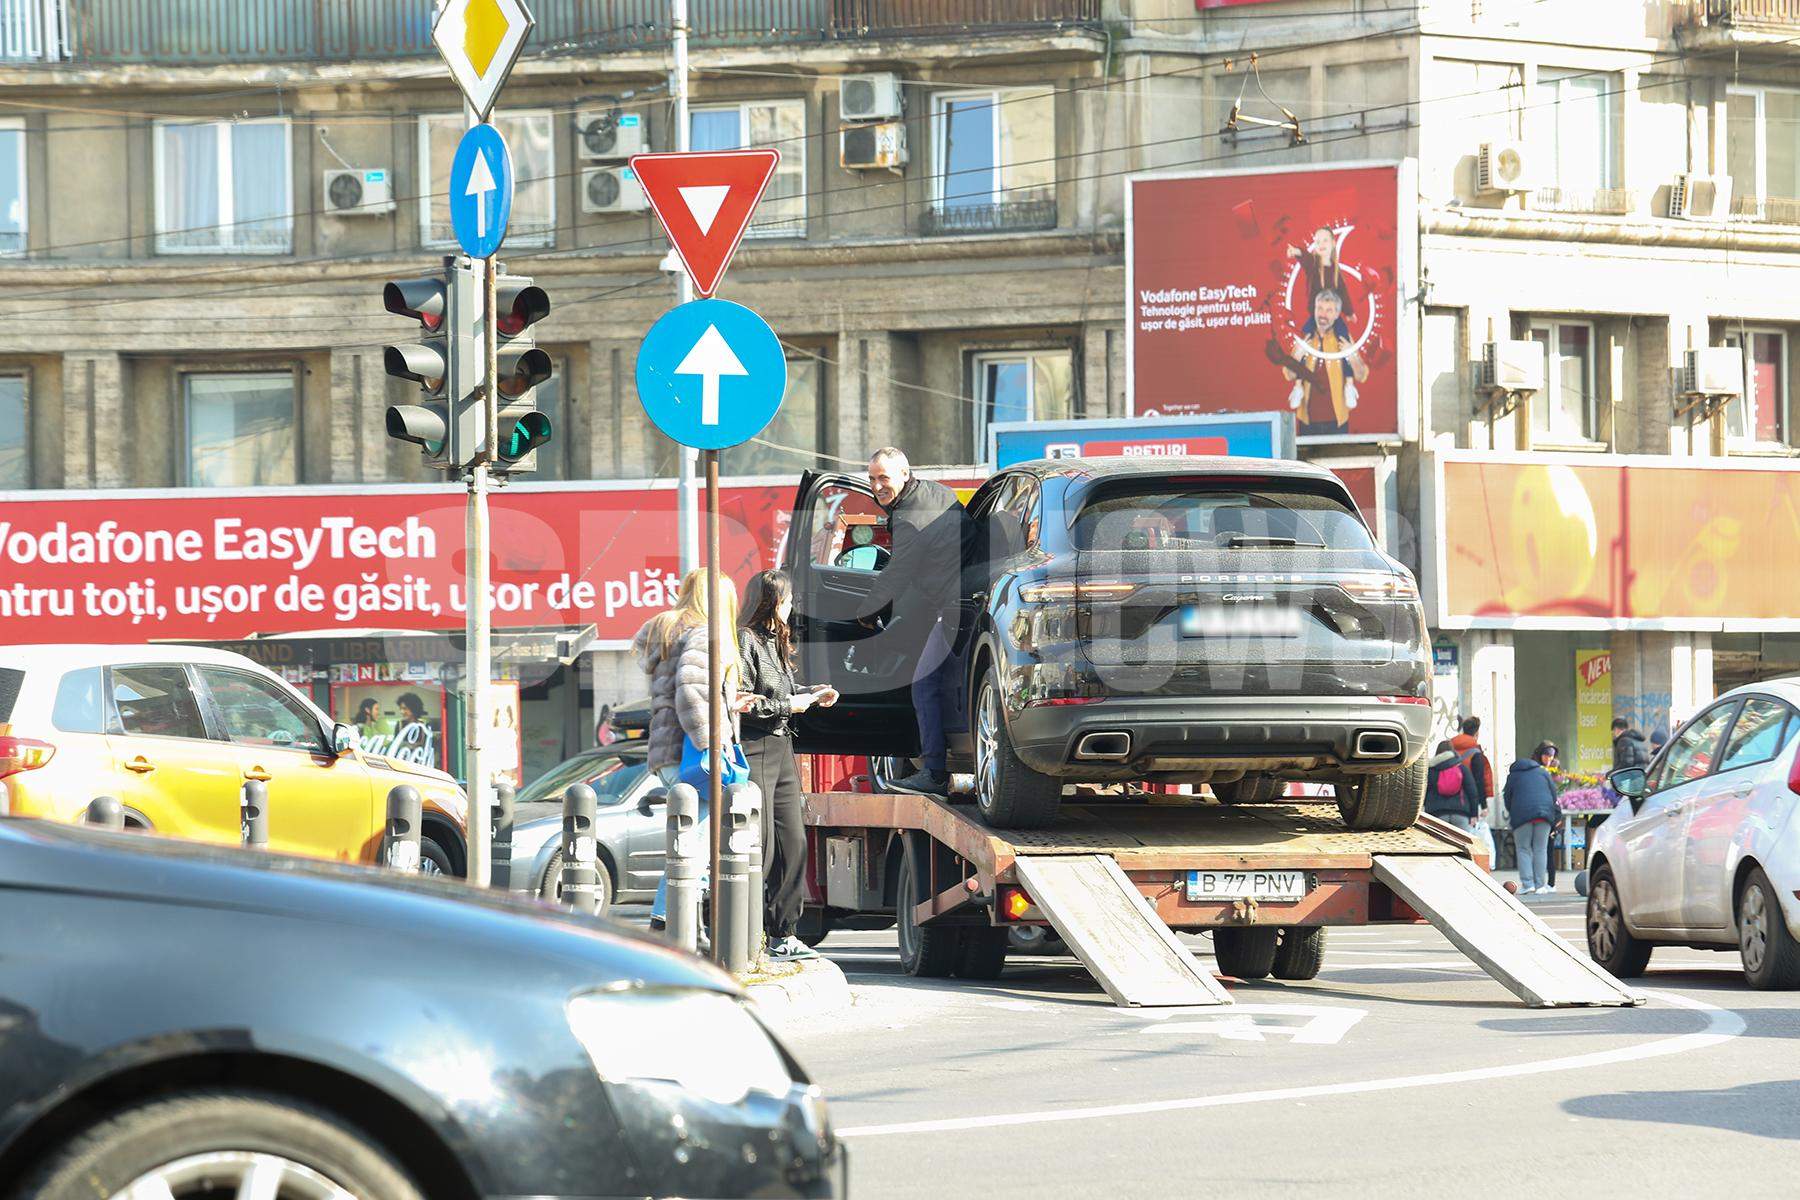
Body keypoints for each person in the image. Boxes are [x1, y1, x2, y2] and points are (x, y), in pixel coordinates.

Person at [635, 568, 752, 932]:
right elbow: (689, 690)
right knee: (696, 846)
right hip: (693, 754)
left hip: (667, 752)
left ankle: (680, 923)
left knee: (689, 841)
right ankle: (669, 922)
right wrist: (712, 743)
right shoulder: (705, 634)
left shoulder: (669, 632)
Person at [857, 447, 977, 796]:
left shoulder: (908, 515)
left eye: (884, 478)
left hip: (954, 605)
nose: (877, 486)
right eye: (872, 478)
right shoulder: (937, 491)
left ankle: (935, 772)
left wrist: (869, 609)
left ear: (905, 475)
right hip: (967, 598)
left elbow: (899, 569)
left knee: (924, 683)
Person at [738, 570, 839, 961]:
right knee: (760, 846)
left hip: (781, 748)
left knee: (793, 842)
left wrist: (811, 694)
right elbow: (745, 702)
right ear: (771, 602)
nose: (792, 606)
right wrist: (788, 706)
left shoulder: (774, 642)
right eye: (788, 599)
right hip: (755, 747)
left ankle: (784, 932)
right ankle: (748, 932)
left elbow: (781, 691)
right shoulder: (744, 640)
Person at [1283, 288, 1369, 437]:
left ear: (1336, 314)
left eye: (1329, 310)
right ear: (1314, 310)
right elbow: (1289, 375)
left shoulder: (1343, 337)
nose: (1323, 315)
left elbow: (1361, 376)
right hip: (1307, 423)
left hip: (1338, 422)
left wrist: (1352, 354)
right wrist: (1298, 354)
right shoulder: (1305, 337)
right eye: (1320, 308)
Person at [1504, 741, 1561, 897]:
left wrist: (1513, 811)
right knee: (1540, 849)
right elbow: (1553, 795)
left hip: (1522, 816)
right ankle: (1540, 885)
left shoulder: (1513, 775)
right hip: (1544, 816)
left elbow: (1507, 798)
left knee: (1523, 849)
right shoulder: (1543, 773)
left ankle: (1528, 884)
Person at [1424, 738, 1482, 833]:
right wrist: (1474, 814)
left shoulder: (1431, 770)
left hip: (1437, 815)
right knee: (1463, 845)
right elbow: (1472, 792)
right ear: (1452, 751)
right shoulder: (1462, 769)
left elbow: (1424, 793)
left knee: (1440, 846)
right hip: (1461, 813)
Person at [1450, 715, 1495, 825]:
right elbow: (1479, 781)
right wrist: (1483, 805)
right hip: (1466, 805)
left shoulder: (1449, 749)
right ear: (1476, 733)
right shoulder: (1475, 753)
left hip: (1445, 803)